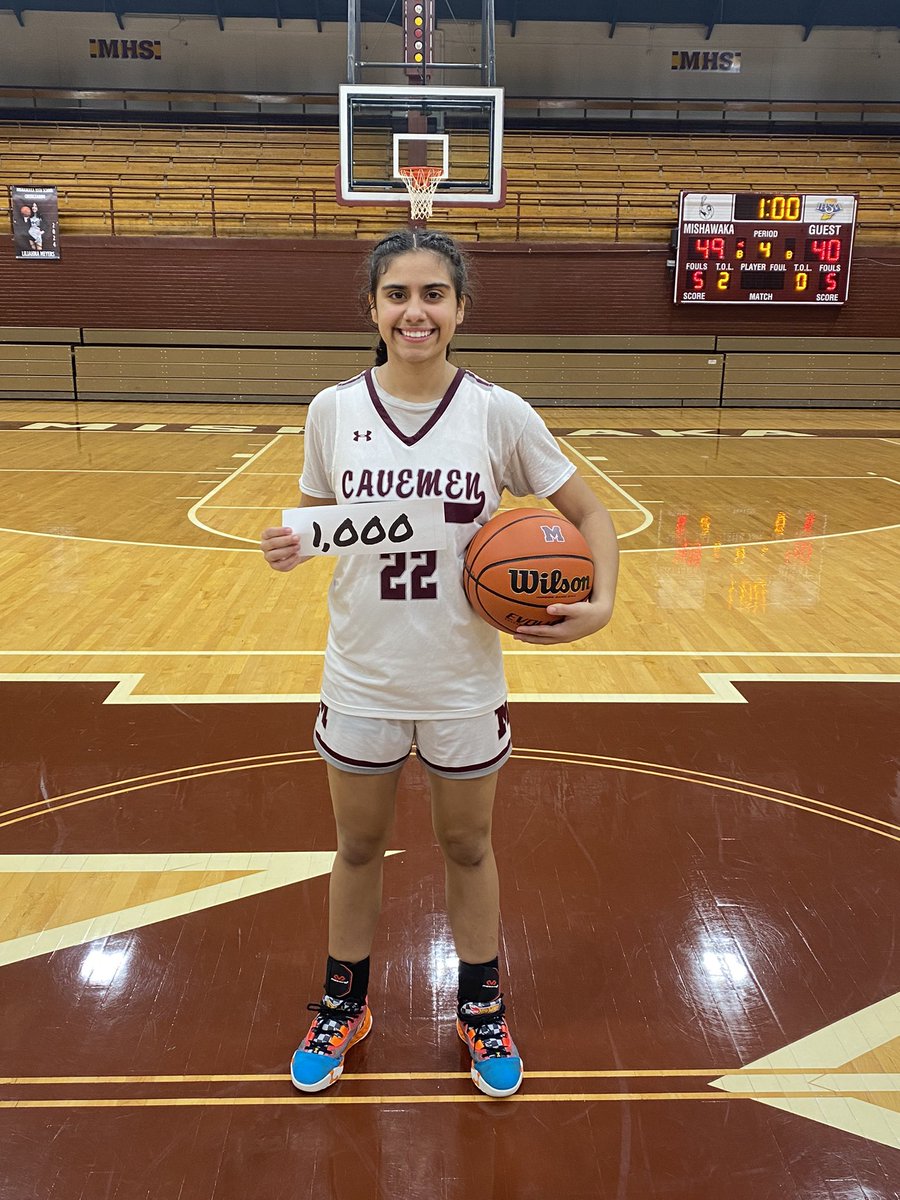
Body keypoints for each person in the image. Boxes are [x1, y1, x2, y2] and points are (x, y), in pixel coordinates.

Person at [260, 228, 619, 1099]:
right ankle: (344, 1002)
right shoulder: (332, 410)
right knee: (356, 845)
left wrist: (601, 601)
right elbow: (318, 519)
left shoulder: (498, 412)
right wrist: (293, 545)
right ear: (372, 308)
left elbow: (589, 511)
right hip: (364, 675)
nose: (414, 311)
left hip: (461, 680)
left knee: (466, 845)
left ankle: (483, 1006)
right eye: (397, 295)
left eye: (432, 295)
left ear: (460, 309)